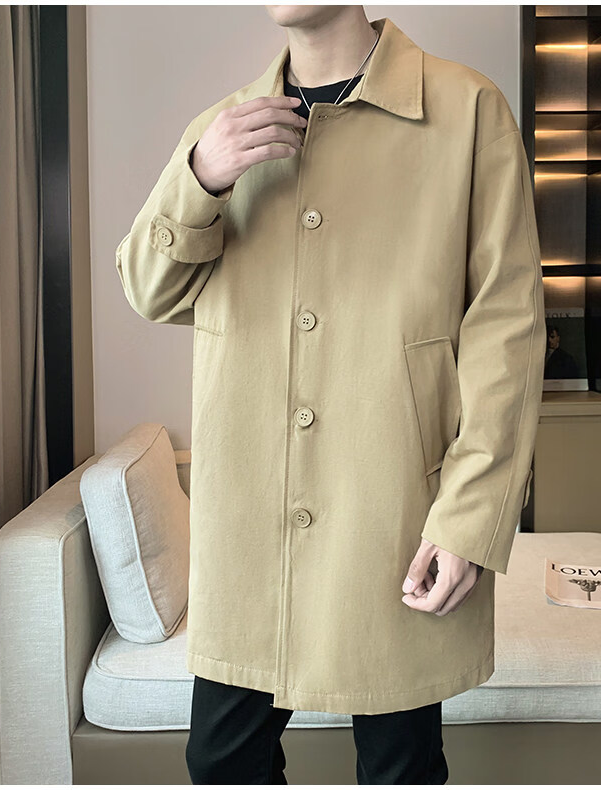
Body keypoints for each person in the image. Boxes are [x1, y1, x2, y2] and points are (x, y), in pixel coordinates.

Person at [116, 5, 546, 785]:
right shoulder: (223, 130)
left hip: (393, 514)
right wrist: (200, 178)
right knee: (221, 761)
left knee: (399, 767)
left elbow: (506, 331)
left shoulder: (466, 110)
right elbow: (150, 290)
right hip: (250, 528)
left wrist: (471, 519)